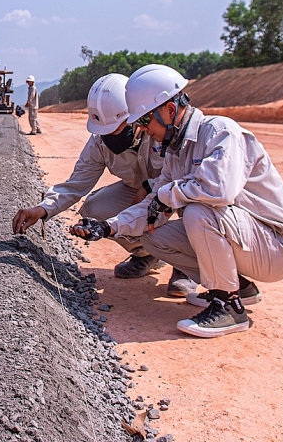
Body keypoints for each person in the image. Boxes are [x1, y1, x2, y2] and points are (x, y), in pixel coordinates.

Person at [75, 64, 283, 338]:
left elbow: (219, 190)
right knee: (154, 239)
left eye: (146, 121)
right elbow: (154, 205)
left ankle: (228, 306)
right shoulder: (176, 152)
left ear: (169, 111)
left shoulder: (220, 132)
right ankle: (240, 287)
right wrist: (109, 227)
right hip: (245, 241)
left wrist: (165, 195)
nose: (144, 130)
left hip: (276, 248)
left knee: (198, 211)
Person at [11, 74, 196, 295]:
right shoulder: (99, 142)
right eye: (105, 132)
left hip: (173, 189)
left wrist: (149, 189)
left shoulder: (161, 130)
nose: (110, 138)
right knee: (95, 209)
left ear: (136, 117)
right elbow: (76, 183)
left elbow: (186, 173)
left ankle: (186, 268)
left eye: (116, 130)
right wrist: (42, 209)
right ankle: (145, 254)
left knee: (191, 204)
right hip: (135, 191)